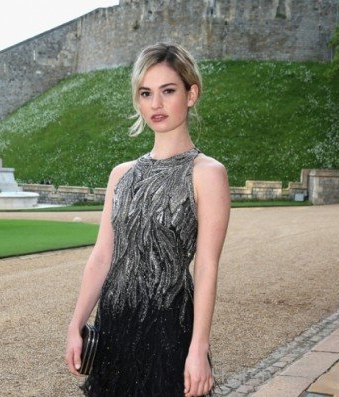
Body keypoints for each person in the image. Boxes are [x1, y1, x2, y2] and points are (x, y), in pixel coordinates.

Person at [65, 42, 230, 397]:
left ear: (191, 94)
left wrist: (199, 348)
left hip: (168, 331)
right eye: (146, 93)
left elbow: (206, 267)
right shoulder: (120, 175)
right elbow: (102, 256)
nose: (155, 104)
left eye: (167, 91)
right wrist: (76, 322)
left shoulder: (208, 174)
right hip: (113, 328)